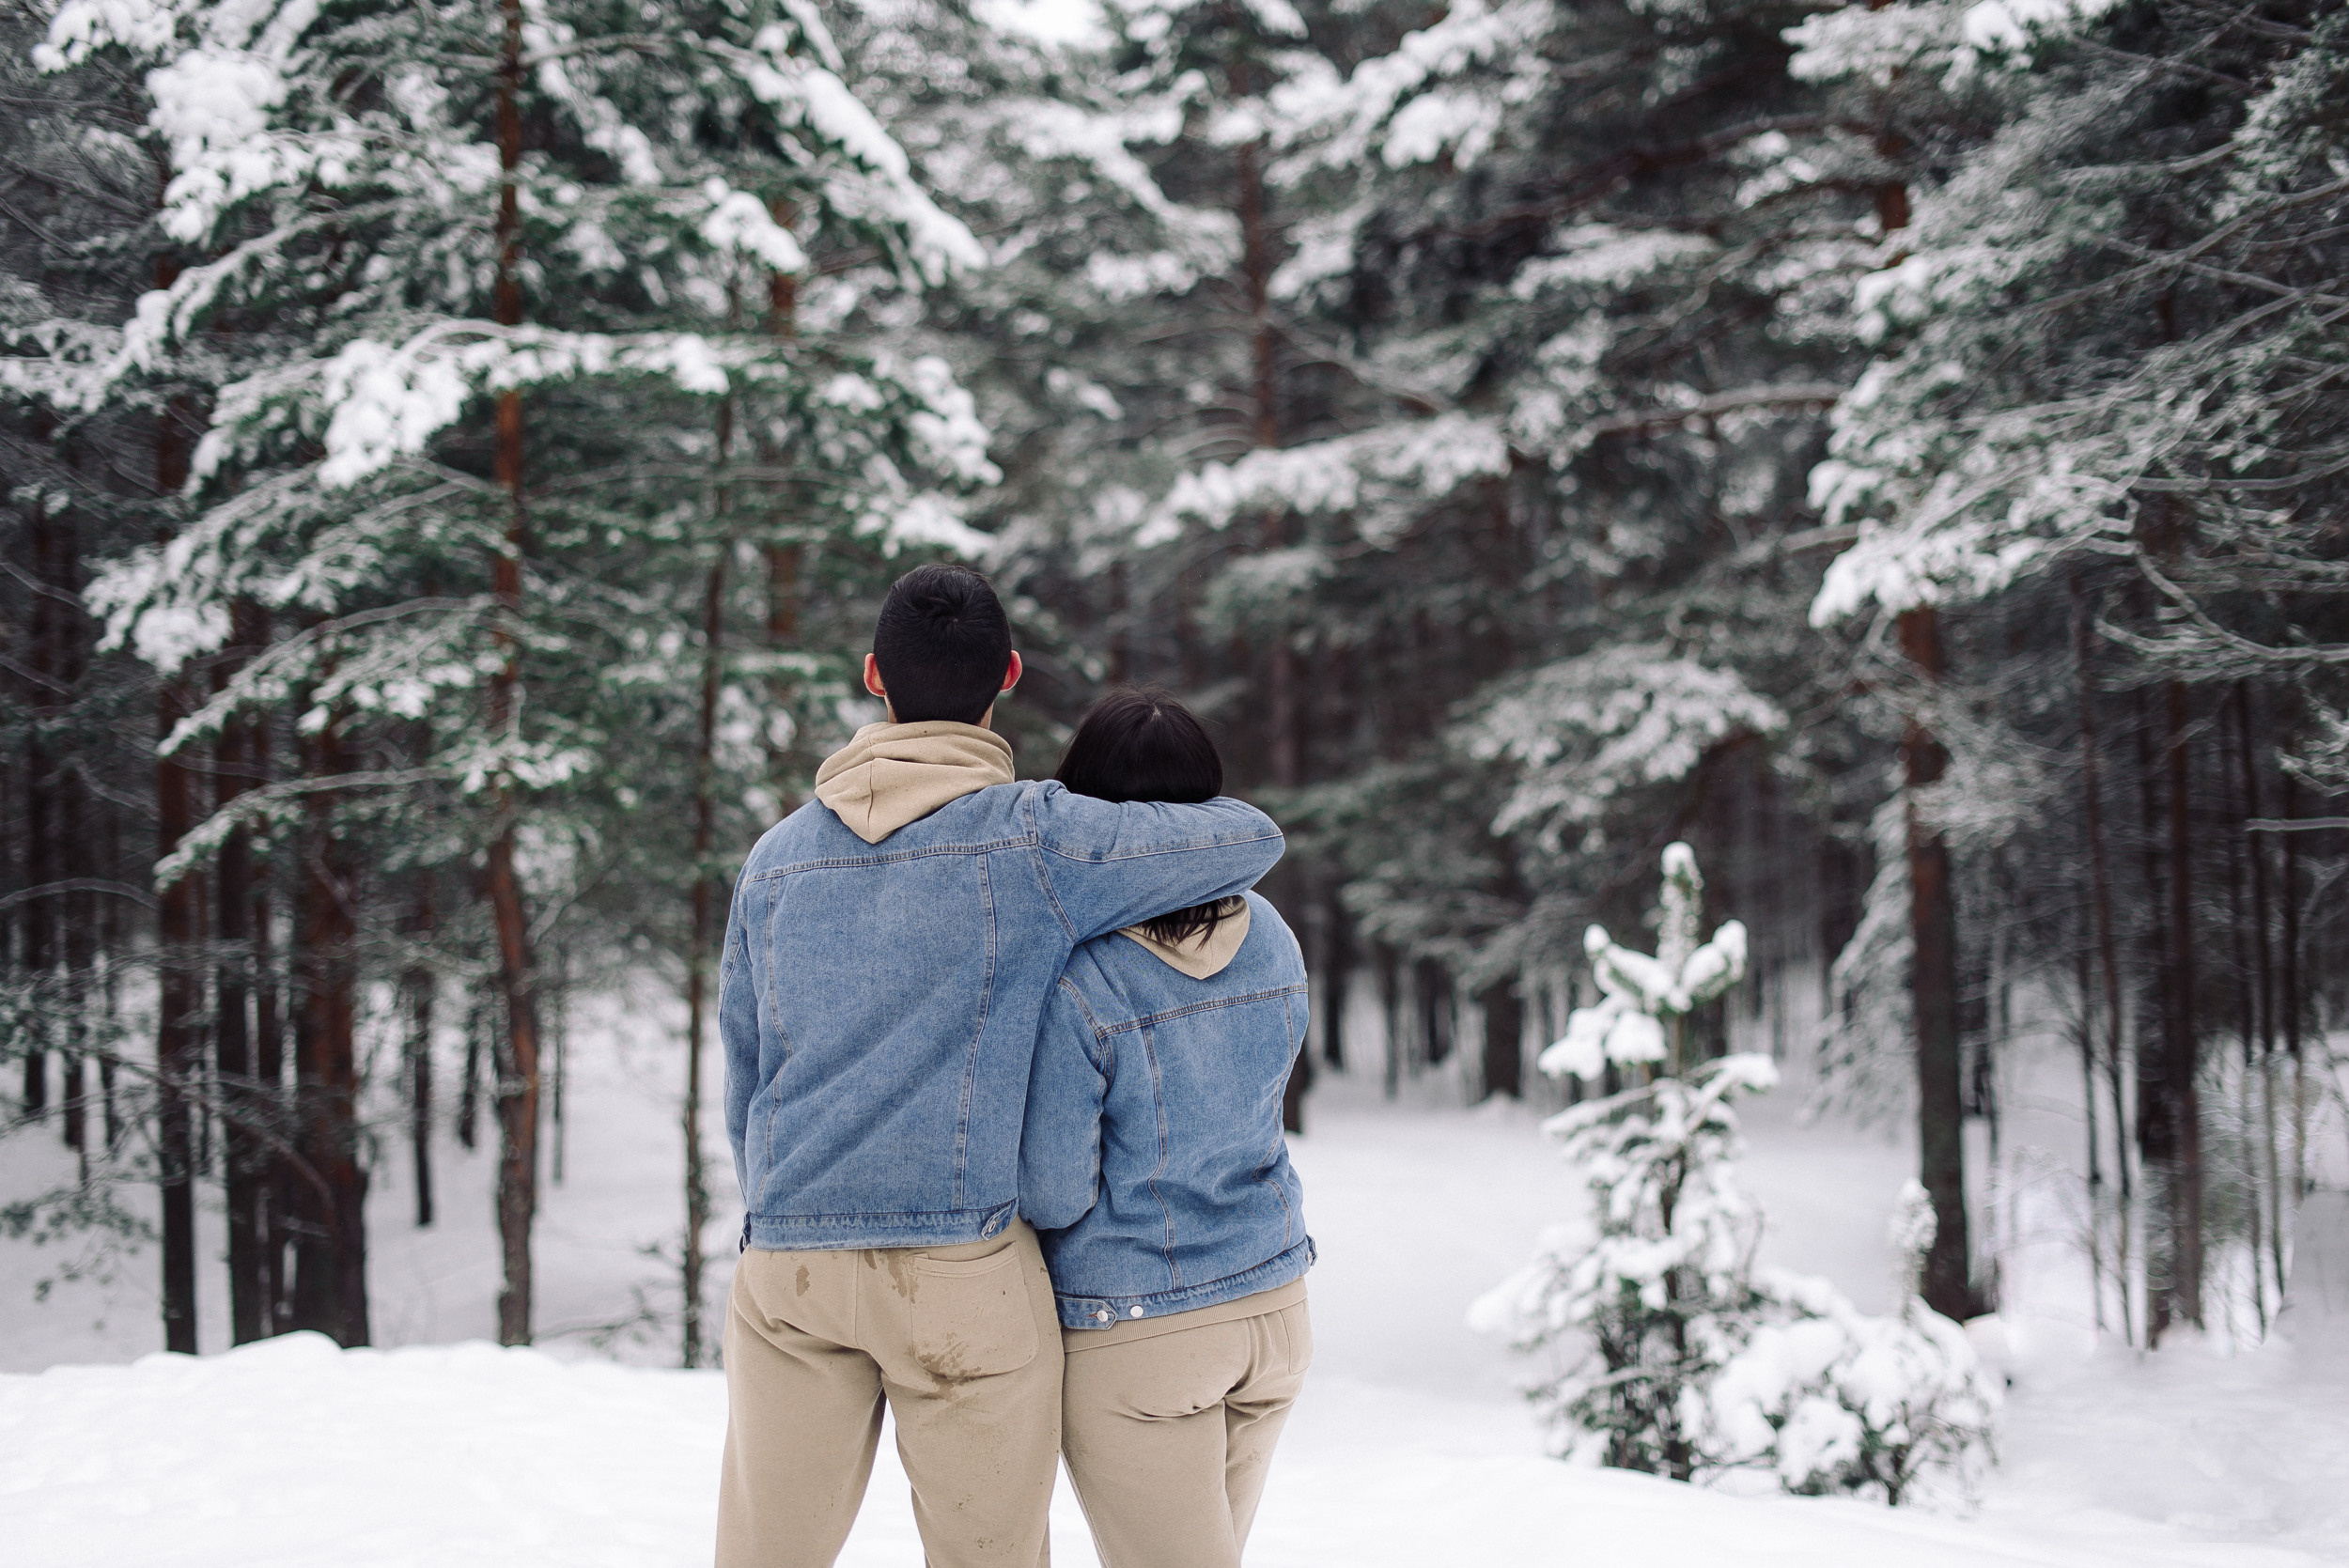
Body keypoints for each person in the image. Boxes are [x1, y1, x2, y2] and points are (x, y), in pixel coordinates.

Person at [716, 568, 1286, 1568]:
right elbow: (1248, 837)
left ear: (872, 675)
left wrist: (782, 1200)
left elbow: (746, 1066)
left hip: (791, 1257)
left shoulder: (773, 860)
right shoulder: (1034, 836)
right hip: (961, 1262)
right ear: (1009, 675)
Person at [1019, 689, 1315, 1568]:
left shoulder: (1084, 973)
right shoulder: (1273, 934)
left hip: (1143, 1325)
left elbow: (1052, 1187)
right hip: (1274, 1306)